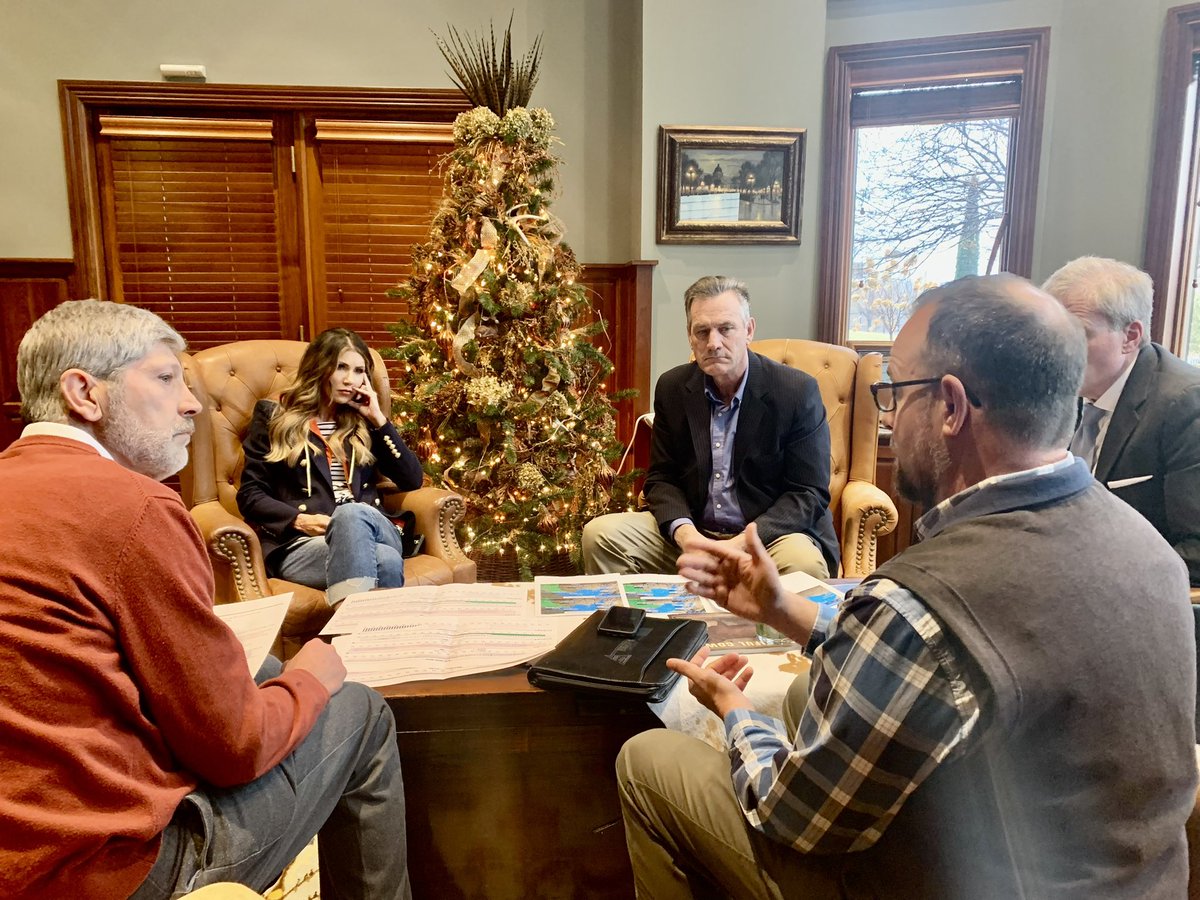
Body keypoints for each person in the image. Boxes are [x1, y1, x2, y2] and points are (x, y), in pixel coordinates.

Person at [616, 275, 1196, 899]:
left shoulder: (916, 605)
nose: (887, 412)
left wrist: (734, 714)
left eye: (894, 389)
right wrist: (785, 611)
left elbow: (791, 816)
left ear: (950, 407)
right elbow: (941, 663)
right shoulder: (1152, 551)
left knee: (648, 760)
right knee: (809, 691)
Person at [0, 300, 409, 899]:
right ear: (84, 393)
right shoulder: (136, 508)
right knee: (360, 709)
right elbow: (233, 749)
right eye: (166, 379)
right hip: (105, 870)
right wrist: (315, 676)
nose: (192, 404)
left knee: (265, 667)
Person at [582, 275, 837, 579]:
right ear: (690, 336)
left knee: (803, 565)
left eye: (725, 329)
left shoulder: (795, 392)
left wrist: (743, 542)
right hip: (696, 533)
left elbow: (808, 493)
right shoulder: (673, 387)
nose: (713, 343)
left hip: (769, 538)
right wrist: (687, 536)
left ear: (749, 330)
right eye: (702, 331)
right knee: (600, 535)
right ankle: (638, 627)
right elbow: (662, 478)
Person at [237, 327, 424, 605]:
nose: (351, 380)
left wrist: (379, 420)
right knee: (384, 561)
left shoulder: (364, 423)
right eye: (341, 367)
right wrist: (299, 520)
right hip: (304, 542)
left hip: (374, 528)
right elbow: (250, 494)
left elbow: (411, 479)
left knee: (350, 515)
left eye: (359, 371)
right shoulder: (274, 417)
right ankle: (367, 643)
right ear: (320, 368)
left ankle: (343, 637)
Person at [1043, 256, 1200, 585]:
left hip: (1135, 600)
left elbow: (1197, 552)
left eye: (1077, 334)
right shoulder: (1060, 393)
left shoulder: (1185, 405)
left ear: (1130, 336)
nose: (1056, 352)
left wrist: (1087, 578)